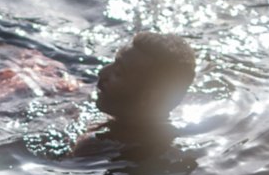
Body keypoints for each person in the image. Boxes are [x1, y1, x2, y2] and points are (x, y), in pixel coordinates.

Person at [74, 31, 197, 159]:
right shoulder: (162, 123)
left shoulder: (93, 147)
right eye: (113, 62)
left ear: (148, 98)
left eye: (118, 72)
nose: (102, 72)